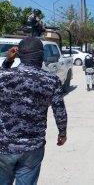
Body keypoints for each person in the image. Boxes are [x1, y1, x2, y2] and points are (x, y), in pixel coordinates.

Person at [0, 37, 67, 185]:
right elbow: (59, 111)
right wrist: (62, 133)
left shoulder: (4, 76)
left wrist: (8, 61)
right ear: (41, 56)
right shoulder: (51, 80)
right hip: (33, 147)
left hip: (4, 145)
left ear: (19, 55)